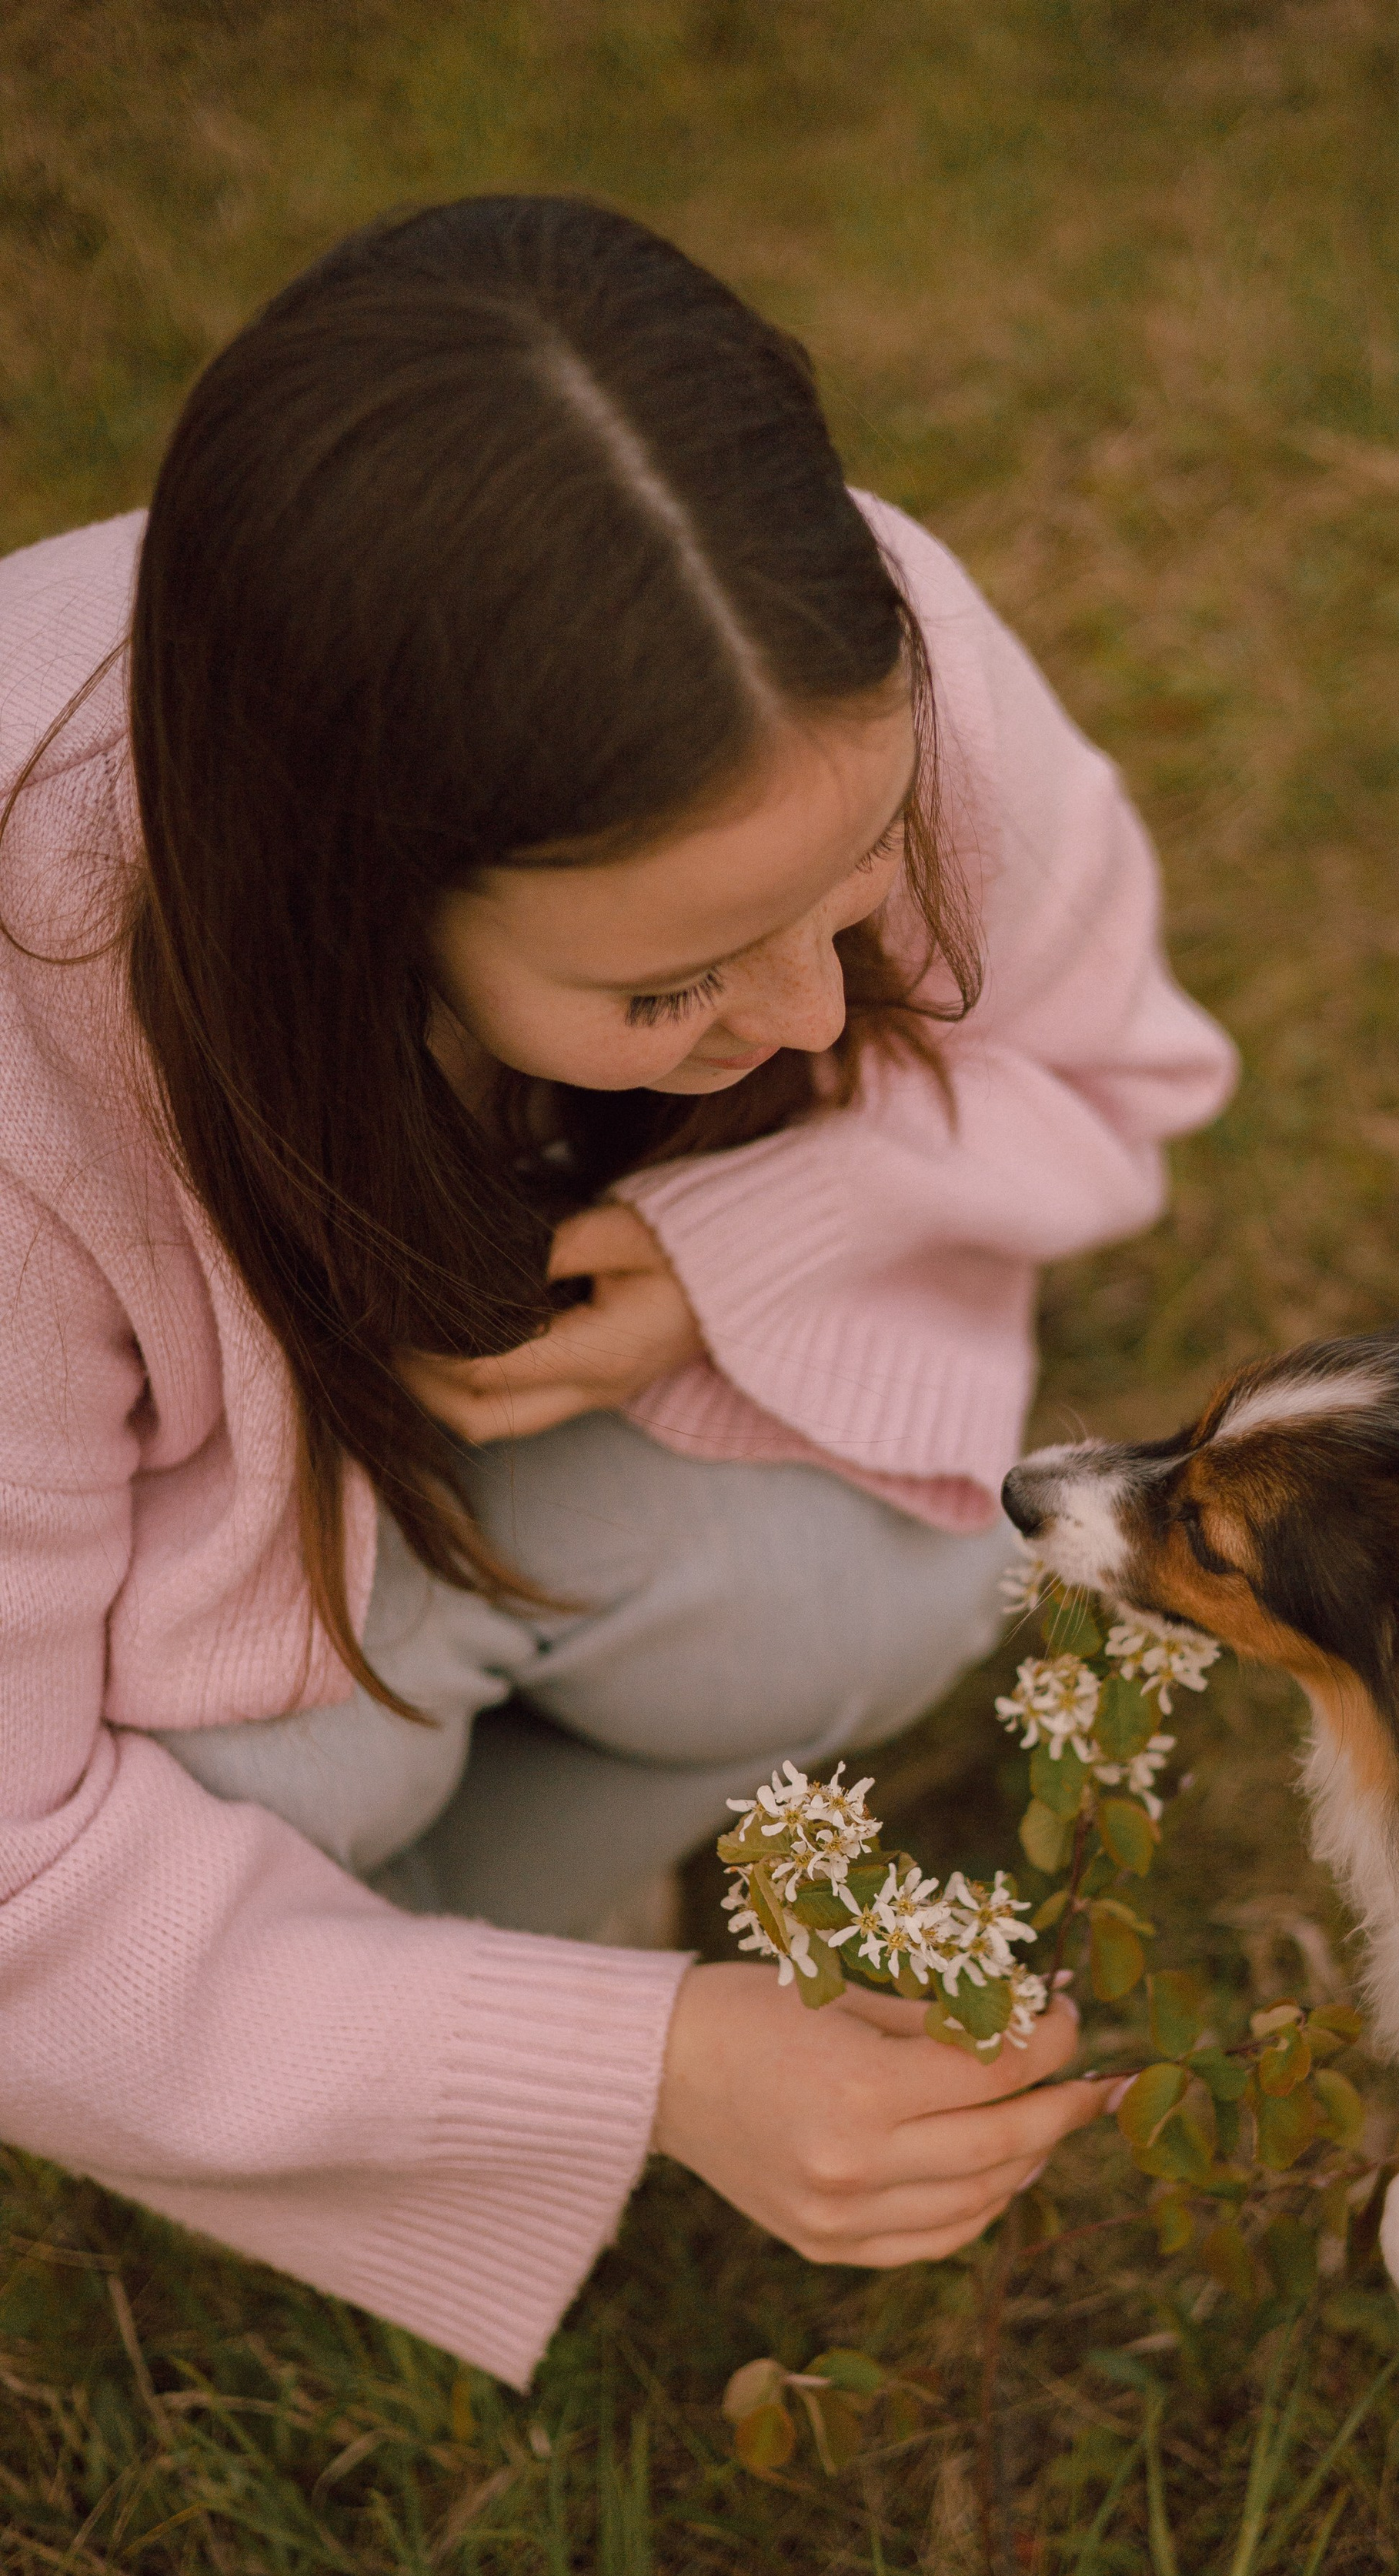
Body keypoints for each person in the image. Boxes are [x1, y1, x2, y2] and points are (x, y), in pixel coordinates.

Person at [0, 195, 1236, 2388]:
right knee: (289, 1794)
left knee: (886, 1578)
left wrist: (739, 1248)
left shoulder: (802, 654)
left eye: (855, 892)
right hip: (124, 1679)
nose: (793, 1018)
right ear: (354, 896)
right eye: (667, 981)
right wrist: (662, 2064)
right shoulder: (34, 1026)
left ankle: (377, 1996)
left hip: (437, 1516)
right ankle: (364, 1985)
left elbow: (1116, 1056)